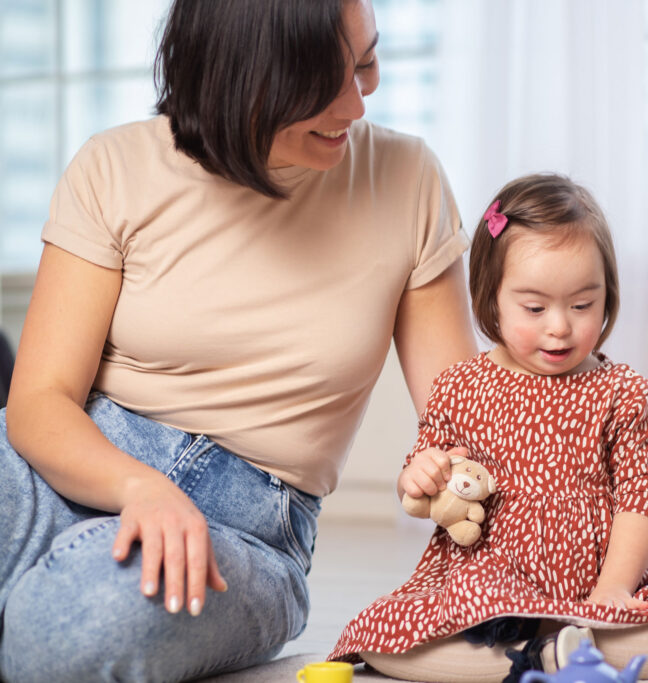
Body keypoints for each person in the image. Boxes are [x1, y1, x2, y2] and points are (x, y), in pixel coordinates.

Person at [0, 0, 477, 680]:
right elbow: (40, 401)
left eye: (366, 63)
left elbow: (468, 420)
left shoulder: (407, 180)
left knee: (70, 628)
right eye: (321, 83)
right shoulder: (115, 166)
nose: (356, 104)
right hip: (80, 461)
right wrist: (142, 488)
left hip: (249, 528)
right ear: (241, 75)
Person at [328, 174, 648, 682]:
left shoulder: (623, 391)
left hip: (604, 585)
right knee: (384, 640)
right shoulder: (461, 386)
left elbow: (641, 499)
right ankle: (543, 652)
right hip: (494, 589)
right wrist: (417, 476)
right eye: (534, 308)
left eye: (582, 305)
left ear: (607, 296)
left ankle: (564, 647)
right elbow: (426, 478)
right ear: (492, 300)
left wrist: (612, 593)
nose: (559, 326)